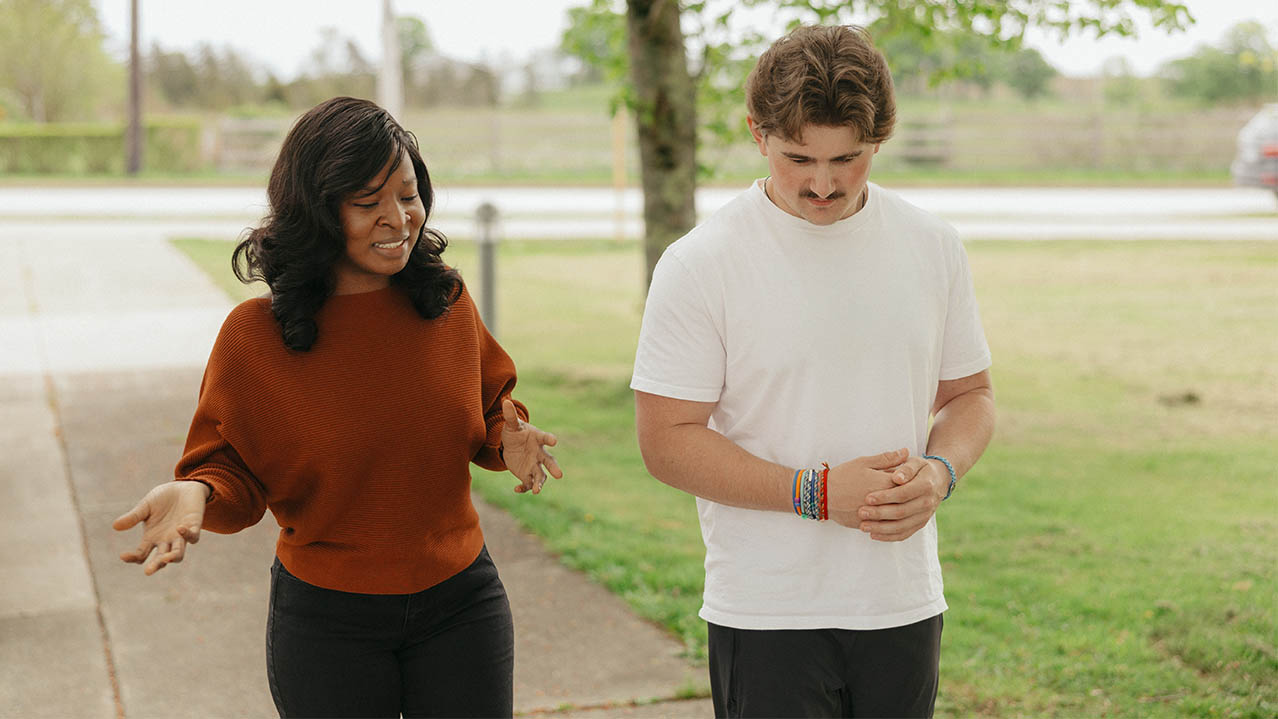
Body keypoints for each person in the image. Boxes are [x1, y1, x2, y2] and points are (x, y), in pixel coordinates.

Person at [112, 96, 562, 718]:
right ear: (317, 210)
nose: (398, 219)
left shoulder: (446, 303)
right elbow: (231, 472)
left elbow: (489, 411)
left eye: (408, 195)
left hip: (462, 605)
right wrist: (199, 493)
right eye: (367, 202)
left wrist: (509, 437)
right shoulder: (253, 337)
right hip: (328, 625)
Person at [631, 25, 996, 718]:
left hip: (901, 603)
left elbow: (970, 396)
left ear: (878, 141)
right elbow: (666, 439)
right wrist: (815, 493)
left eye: (847, 159)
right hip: (768, 612)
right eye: (799, 157)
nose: (823, 184)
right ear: (756, 134)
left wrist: (941, 471)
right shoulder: (699, 263)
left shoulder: (933, 246)